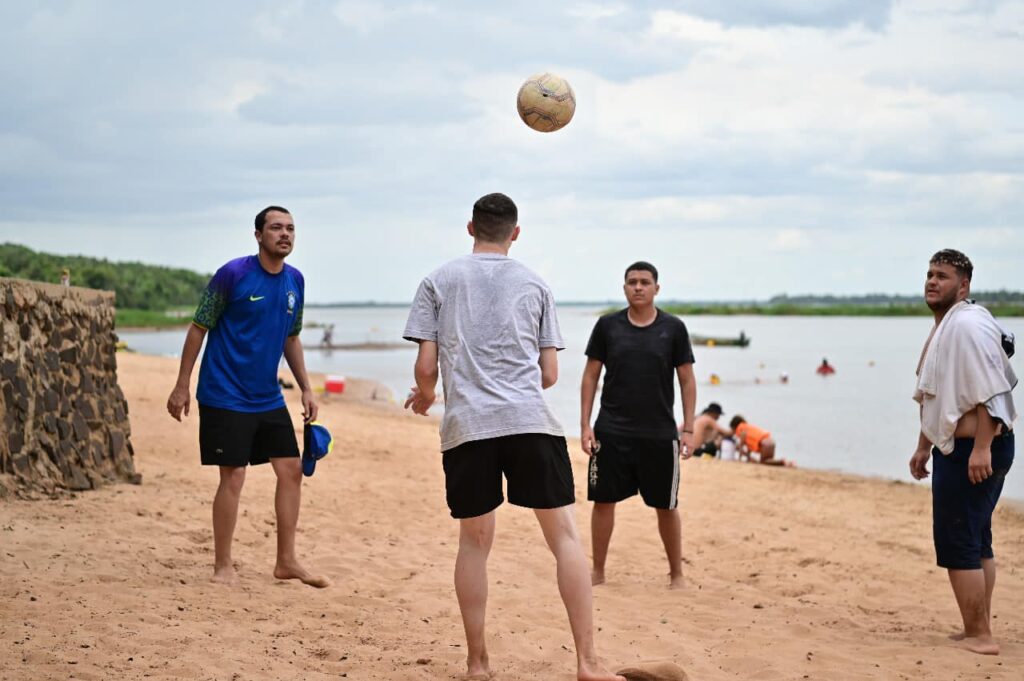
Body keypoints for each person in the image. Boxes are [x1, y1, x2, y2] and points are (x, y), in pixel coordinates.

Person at [403, 193, 623, 681]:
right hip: (529, 422)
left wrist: (424, 393)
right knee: (564, 538)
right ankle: (587, 663)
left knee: (475, 543)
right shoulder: (535, 283)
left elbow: (425, 366)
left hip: (468, 427)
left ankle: (477, 663)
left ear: (470, 228)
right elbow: (548, 373)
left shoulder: (438, 280)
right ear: (516, 233)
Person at [166, 206, 327, 588]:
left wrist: (306, 387)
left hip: (267, 396)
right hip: (224, 393)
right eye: (276, 228)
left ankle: (286, 561)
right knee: (234, 475)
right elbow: (197, 328)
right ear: (258, 235)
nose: (284, 234)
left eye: (290, 228)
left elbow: (291, 337)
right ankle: (223, 566)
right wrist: (181, 384)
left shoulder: (295, 282)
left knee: (290, 471)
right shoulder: (233, 275)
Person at [909, 249, 1016, 656]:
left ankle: (980, 636)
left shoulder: (968, 325)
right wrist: (923, 445)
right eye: (930, 274)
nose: (933, 282)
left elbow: (992, 390)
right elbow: (936, 394)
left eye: (943, 276)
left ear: (964, 286)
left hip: (978, 448)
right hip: (963, 447)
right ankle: (977, 626)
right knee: (975, 539)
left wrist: (983, 448)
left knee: (959, 540)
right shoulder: (946, 326)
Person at [580, 261, 696, 589]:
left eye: (645, 282)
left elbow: (687, 379)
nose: (638, 287)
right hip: (611, 431)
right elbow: (590, 376)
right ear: (624, 288)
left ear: (657, 288)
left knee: (666, 505)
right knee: (603, 502)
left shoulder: (673, 329)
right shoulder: (607, 327)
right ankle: (598, 572)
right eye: (632, 282)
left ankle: (676, 575)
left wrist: (688, 428)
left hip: (659, 434)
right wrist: (585, 425)